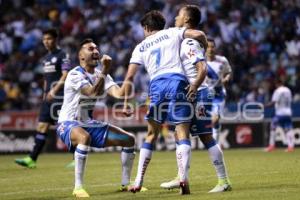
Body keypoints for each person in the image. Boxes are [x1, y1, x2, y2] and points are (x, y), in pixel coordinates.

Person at [122, 10, 207, 195]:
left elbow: (129, 76)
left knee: (151, 134)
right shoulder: (173, 31)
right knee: (182, 132)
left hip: (156, 87)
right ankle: (183, 178)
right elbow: (199, 34)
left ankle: (137, 181)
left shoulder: (140, 46)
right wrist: (205, 45)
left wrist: (127, 102)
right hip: (177, 83)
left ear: (146, 27)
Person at [160, 5, 232, 193]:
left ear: (186, 19)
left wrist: (193, 86)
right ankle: (187, 177)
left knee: (189, 133)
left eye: (179, 15)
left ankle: (190, 179)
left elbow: (203, 69)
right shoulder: (185, 40)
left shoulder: (189, 43)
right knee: (191, 134)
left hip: (196, 92)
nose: (175, 17)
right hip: (197, 92)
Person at [56, 38, 136, 197]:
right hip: (68, 123)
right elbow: (91, 92)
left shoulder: (102, 74)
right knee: (84, 138)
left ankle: (126, 184)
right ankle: (78, 188)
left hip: (89, 123)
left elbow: (118, 94)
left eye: (96, 48)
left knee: (129, 139)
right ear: (81, 56)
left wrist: (128, 79)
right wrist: (106, 70)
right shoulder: (74, 74)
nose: (96, 51)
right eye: (90, 49)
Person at [15, 28, 71, 168]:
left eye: (49, 39)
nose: (46, 42)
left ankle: (78, 156)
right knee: (42, 126)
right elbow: (46, 77)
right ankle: (32, 159)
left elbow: (65, 74)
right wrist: (45, 93)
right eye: (44, 39)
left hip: (59, 97)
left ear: (55, 39)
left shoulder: (63, 55)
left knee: (64, 128)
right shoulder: (45, 58)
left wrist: (54, 90)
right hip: (49, 97)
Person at [206, 38, 232, 142]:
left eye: (212, 46)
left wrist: (226, 78)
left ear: (215, 48)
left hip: (218, 94)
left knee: (215, 118)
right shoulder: (200, 62)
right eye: (208, 47)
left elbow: (228, 72)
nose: (210, 49)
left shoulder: (222, 60)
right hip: (204, 95)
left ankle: (214, 145)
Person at [265, 79, 294, 152]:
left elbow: (274, 102)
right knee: (288, 129)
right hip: (288, 112)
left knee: (273, 126)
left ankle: (271, 146)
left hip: (280, 113)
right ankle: (290, 147)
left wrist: (265, 106)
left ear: (277, 84)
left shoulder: (277, 91)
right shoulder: (288, 90)